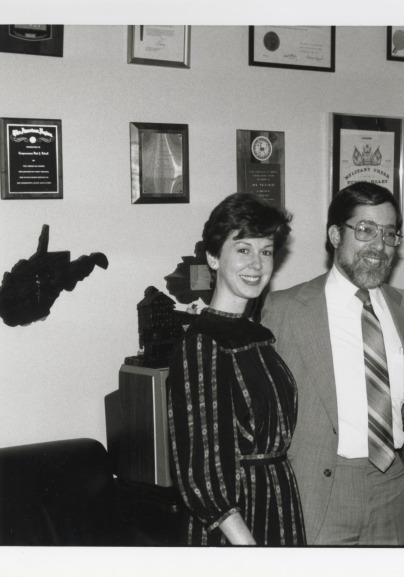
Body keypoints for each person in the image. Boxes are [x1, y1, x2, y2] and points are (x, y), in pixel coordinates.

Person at [261, 182, 404, 545]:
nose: (379, 246)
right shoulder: (285, 309)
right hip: (321, 491)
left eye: (389, 234)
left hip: (392, 487)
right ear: (336, 234)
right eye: (365, 230)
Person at [167, 193, 305, 546]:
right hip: (234, 527)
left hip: (277, 506)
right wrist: (247, 547)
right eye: (243, 249)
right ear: (213, 257)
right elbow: (199, 472)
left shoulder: (259, 335)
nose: (256, 264)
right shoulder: (202, 342)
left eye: (266, 251)